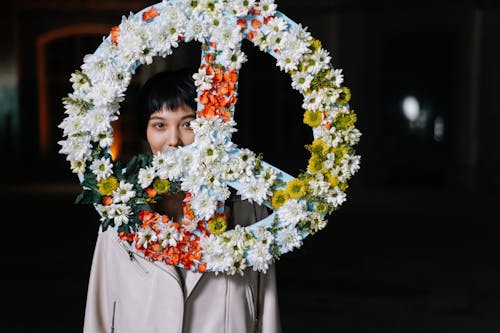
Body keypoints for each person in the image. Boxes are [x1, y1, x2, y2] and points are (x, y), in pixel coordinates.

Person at [83, 68, 282, 333]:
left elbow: (266, 300)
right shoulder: (120, 209)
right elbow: (101, 303)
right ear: (145, 131)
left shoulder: (247, 206)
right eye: (160, 125)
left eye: (188, 124)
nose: (174, 140)